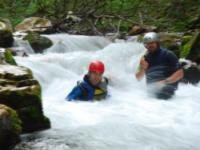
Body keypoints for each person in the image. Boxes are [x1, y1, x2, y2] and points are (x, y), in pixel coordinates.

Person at [135, 32, 184, 99]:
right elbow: (138, 78)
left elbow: (180, 74)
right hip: (151, 92)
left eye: (152, 43)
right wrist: (143, 69)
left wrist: (164, 82)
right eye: (147, 44)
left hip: (166, 92)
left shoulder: (168, 54)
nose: (149, 45)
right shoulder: (145, 57)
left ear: (157, 43)